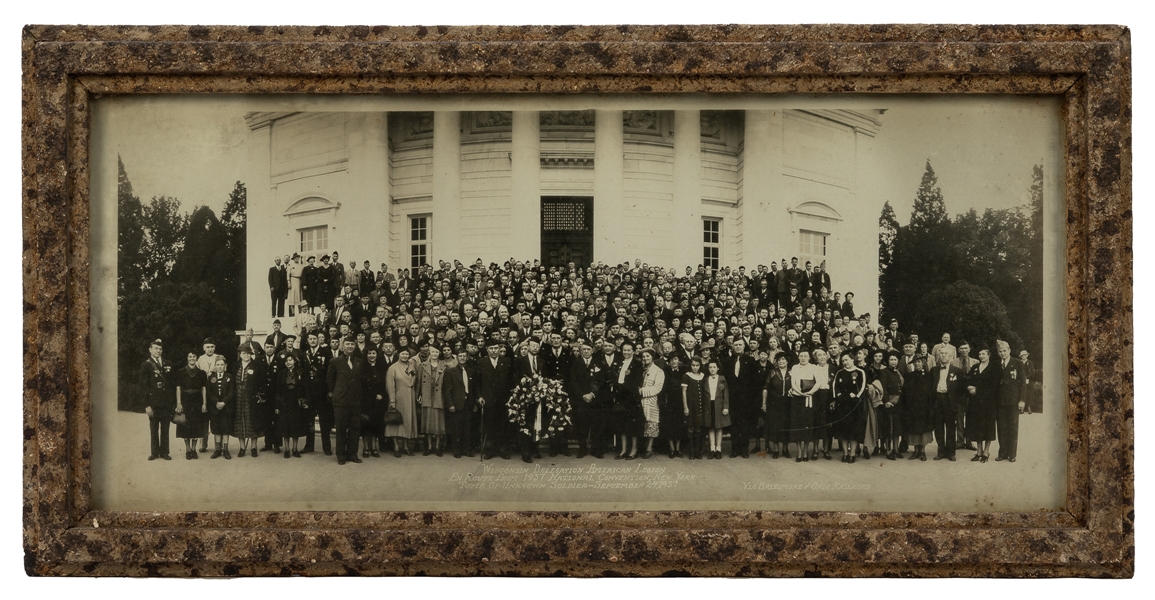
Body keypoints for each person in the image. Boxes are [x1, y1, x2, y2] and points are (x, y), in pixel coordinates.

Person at [327, 336, 366, 465]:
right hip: (341, 401)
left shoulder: (360, 362)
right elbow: (330, 381)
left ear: (355, 346)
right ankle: (341, 455)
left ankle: (352, 454)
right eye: (347, 344)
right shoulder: (335, 361)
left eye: (352, 344)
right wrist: (335, 394)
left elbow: (361, 381)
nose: (350, 347)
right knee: (341, 429)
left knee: (355, 428)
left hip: (355, 401)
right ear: (342, 346)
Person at [568, 340, 609, 458]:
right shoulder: (576, 363)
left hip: (595, 399)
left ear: (593, 350)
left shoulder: (599, 363)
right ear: (580, 351)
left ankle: (596, 449)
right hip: (581, 400)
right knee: (581, 425)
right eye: (584, 349)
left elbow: (602, 381)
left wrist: (592, 394)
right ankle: (582, 449)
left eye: (588, 349)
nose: (586, 351)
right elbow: (573, 381)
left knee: (596, 425)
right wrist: (582, 395)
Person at [478, 339, 514, 460]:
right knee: (490, 425)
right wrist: (480, 396)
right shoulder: (482, 362)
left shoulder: (507, 361)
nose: (494, 351)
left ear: (499, 349)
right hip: (488, 399)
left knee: (503, 425)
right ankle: (490, 450)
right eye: (491, 349)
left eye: (496, 348)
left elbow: (511, 380)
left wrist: (511, 397)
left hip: (503, 399)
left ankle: (503, 449)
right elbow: (478, 382)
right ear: (487, 350)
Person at [725, 338, 760, 458]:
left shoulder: (750, 361)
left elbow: (755, 382)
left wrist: (752, 400)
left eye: (740, 345)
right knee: (734, 425)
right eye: (736, 345)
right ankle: (735, 449)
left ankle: (744, 450)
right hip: (732, 399)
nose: (738, 347)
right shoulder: (728, 361)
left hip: (746, 399)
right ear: (732, 347)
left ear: (744, 346)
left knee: (745, 425)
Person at [139, 339, 174, 461]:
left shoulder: (167, 363)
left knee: (165, 428)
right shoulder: (146, 365)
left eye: (160, 349)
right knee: (154, 429)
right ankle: (154, 452)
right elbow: (143, 387)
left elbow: (171, 385)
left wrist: (172, 403)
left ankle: (164, 452)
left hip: (166, 402)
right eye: (156, 348)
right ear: (150, 350)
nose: (158, 351)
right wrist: (147, 405)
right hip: (154, 403)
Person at [929, 346, 965, 461]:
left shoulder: (957, 371)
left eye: (946, 354)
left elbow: (961, 390)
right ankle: (940, 451)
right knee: (938, 428)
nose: (943, 355)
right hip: (937, 401)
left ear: (951, 357)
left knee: (950, 428)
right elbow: (931, 387)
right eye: (942, 354)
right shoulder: (934, 370)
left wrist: (957, 405)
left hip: (950, 402)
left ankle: (951, 452)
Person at [831, 352, 867, 462]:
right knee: (843, 431)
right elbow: (835, 386)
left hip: (854, 405)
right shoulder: (840, 373)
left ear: (852, 359)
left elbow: (862, 387)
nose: (845, 362)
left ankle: (852, 454)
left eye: (847, 360)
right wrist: (839, 396)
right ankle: (845, 453)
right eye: (843, 361)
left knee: (854, 430)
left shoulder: (860, 372)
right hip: (842, 404)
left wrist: (856, 396)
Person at [965, 347, 999, 463]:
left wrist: (977, 390)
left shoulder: (994, 368)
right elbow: (969, 380)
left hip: (988, 402)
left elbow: (993, 386)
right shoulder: (975, 367)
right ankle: (979, 451)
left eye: (983, 354)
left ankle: (986, 452)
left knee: (988, 426)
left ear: (989, 355)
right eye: (979, 354)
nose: (981, 356)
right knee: (977, 426)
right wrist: (969, 387)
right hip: (975, 402)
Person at [994, 340, 1026, 462]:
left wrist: (1022, 400)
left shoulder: (1017, 363)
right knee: (1001, 427)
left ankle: (1012, 454)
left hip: (1013, 400)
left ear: (1009, 350)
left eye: (1004, 351)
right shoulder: (996, 364)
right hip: (1000, 401)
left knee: (1012, 427)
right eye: (1000, 351)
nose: (1002, 353)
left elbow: (1023, 383)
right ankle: (1002, 452)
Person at [788, 348, 822, 462]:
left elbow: (818, 382)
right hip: (797, 398)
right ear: (798, 357)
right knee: (797, 425)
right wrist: (800, 393)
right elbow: (793, 383)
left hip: (809, 398)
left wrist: (810, 392)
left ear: (809, 357)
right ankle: (799, 451)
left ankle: (806, 450)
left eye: (805, 356)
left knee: (808, 424)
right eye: (801, 356)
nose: (803, 358)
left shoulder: (814, 367)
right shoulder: (795, 367)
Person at [173, 351, 208, 460]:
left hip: (197, 400)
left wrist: (204, 403)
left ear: (197, 358)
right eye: (190, 356)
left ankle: (194, 449)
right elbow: (178, 387)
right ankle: (188, 449)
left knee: (196, 425)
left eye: (194, 356)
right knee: (185, 425)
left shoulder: (202, 373)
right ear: (187, 358)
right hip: (185, 400)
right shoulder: (180, 372)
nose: (192, 358)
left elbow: (203, 388)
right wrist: (179, 403)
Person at [442, 349, 476, 458]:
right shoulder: (451, 371)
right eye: (460, 356)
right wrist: (450, 404)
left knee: (468, 428)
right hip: (456, 404)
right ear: (457, 358)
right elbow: (447, 390)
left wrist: (474, 403)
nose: (462, 358)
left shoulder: (471, 371)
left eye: (464, 356)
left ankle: (467, 449)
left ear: (467, 357)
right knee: (456, 428)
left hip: (468, 403)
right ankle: (456, 450)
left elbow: (474, 389)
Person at [417, 345, 449, 457]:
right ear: (429, 353)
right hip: (427, 398)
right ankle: (429, 447)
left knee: (438, 424)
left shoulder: (444, 366)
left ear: (439, 353)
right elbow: (419, 382)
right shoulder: (423, 365)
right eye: (432, 352)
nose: (434, 354)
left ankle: (438, 447)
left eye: (436, 352)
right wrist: (418, 395)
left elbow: (447, 384)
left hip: (439, 397)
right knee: (428, 424)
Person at [385, 349, 419, 457]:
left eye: (407, 354)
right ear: (398, 354)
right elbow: (390, 385)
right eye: (403, 354)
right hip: (398, 399)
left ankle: (405, 446)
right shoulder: (393, 368)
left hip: (410, 399)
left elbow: (414, 381)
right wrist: (392, 401)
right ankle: (396, 446)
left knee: (407, 422)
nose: (405, 356)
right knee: (396, 422)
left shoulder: (411, 366)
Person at [901, 353, 935, 461]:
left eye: (919, 362)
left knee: (923, 428)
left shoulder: (929, 376)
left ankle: (923, 451)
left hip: (924, 406)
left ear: (923, 363)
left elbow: (931, 391)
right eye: (915, 362)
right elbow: (906, 392)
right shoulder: (909, 376)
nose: (917, 364)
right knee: (913, 428)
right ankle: (916, 450)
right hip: (912, 407)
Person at [232, 345, 263, 458]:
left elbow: (260, 382)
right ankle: (242, 448)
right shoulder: (235, 366)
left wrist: (258, 395)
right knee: (240, 421)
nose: (246, 355)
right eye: (244, 353)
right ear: (240, 354)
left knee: (251, 420)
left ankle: (253, 447)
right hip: (238, 398)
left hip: (251, 398)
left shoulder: (256, 366)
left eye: (248, 353)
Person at [276, 353, 307, 458]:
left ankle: (295, 449)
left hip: (296, 402)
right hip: (285, 402)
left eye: (290, 360)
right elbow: (278, 390)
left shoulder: (300, 372)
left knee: (295, 426)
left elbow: (304, 387)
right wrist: (278, 405)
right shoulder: (281, 373)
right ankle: (287, 449)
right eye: (286, 361)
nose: (288, 362)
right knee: (285, 426)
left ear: (294, 361)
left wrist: (303, 401)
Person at [762, 351, 792, 459]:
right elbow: (765, 388)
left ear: (787, 361)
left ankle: (785, 449)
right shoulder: (772, 372)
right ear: (776, 362)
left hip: (788, 403)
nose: (781, 362)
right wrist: (764, 404)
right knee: (775, 426)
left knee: (786, 425)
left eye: (783, 360)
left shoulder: (792, 372)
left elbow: (797, 385)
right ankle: (776, 450)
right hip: (774, 403)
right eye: (779, 360)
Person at [637, 347, 666, 459]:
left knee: (651, 423)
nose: (645, 358)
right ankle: (641, 447)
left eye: (647, 356)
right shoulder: (640, 369)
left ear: (652, 357)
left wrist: (641, 391)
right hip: (639, 400)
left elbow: (657, 388)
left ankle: (649, 448)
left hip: (651, 400)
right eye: (643, 356)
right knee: (641, 423)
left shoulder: (658, 371)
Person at [876, 351, 905, 460]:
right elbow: (883, 387)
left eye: (895, 360)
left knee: (897, 427)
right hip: (889, 402)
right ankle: (888, 451)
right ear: (888, 361)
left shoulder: (899, 371)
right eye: (891, 360)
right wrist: (886, 401)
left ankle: (896, 450)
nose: (893, 362)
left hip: (899, 402)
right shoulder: (884, 372)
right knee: (889, 427)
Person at [361, 347, 388, 458]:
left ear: (377, 354)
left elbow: (384, 383)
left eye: (373, 353)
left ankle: (374, 447)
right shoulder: (362, 367)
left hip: (378, 401)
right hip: (366, 400)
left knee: (376, 424)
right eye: (369, 353)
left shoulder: (381, 367)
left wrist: (382, 394)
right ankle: (366, 447)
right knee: (366, 424)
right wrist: (372, 395)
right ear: (366, 355)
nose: (371, 355)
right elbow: (362, 385)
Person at [206, 355, 235, 459]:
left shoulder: (230, 376)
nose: (220, 367)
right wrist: (217, 402)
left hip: (226, 407)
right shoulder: (211, 377)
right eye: (218, 364)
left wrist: (224, 402)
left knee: (226, 428)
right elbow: (209, 392)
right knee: (216, 428)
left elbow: (232, 392)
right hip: (215, 407)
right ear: (215, 366)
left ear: (225, 366)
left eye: (222, 365)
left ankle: (226, 450)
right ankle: (217, 449)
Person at [658, 353, 686, 459]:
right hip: (669, 401)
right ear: (669, 362)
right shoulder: (665, 372)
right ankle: (671, 449)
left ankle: (678, 449)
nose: (674, 362)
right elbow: (663, 387)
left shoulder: (683, 371)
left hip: (680, 401)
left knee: (679, 425)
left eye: (676, 359)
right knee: (669, 425)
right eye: (672, 360)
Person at [680, 356, 708, 460]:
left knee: (698, 429)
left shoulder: (703, 376)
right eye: (693, 365)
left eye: (697, 365)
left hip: (700, 406)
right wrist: (685, 407)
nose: (695, 367)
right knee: (690, 428)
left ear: (700, 366)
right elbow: (683, 392)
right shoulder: (686, 376)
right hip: (691, 406)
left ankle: (698, 451)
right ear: (690, 365)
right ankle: (691, 452)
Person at [703, 359, 731, 459]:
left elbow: (725, 394)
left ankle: (718, 448)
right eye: (710, 367)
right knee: (710, 426)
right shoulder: (705, 379)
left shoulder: (722, 378)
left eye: (714, 367)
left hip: (718, 404)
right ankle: (712, 448)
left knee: (719, 427)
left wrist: (725, 407)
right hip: (708, 405)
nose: (712, 369)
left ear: (718, 368)